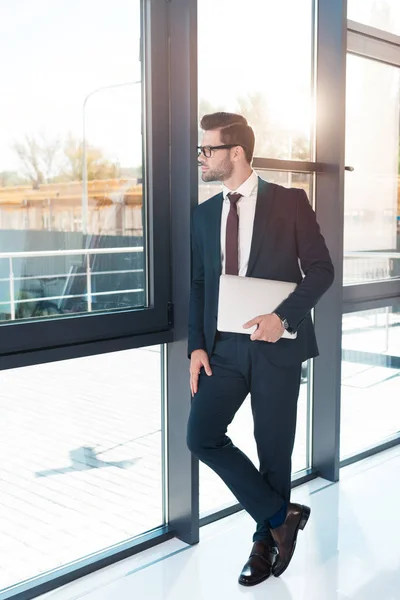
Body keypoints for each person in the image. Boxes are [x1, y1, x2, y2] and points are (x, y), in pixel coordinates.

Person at [186, 112, 334, 587]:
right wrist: (195, 347)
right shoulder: (204, 213)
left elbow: (321, 270)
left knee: (274, 452)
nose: (201, 157)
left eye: (207, 149)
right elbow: (199, 283)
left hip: (276, 346)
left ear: (236, 152)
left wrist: (283, 317)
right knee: (201, 435)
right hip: (223, 350)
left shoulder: (290, 202)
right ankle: (280, 514)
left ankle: (262, 542)